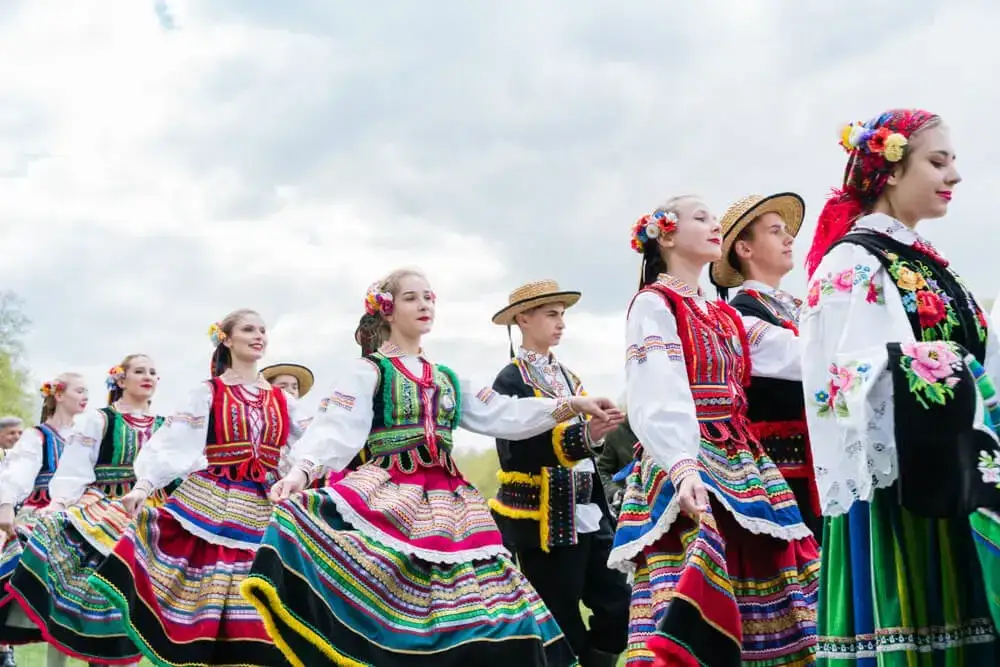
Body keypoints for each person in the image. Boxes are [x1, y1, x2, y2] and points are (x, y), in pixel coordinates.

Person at [241, 268, 620, 666]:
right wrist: (301, 471)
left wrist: (571, 405)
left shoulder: (447, 377)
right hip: (390, 496)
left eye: (429, 297)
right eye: (410, 298)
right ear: (386, 311)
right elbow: (336, 429)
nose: (424, 305)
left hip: (454, 507)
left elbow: (503, 413)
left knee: (488, 614)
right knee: (404, 615)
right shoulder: (370, 371)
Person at [801, 108, 999, 663]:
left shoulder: (928, 261)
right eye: (938, 162)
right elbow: (852, 380)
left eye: (953, 162)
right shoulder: (854, 262)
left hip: (952, 473)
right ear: (888, 171)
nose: (954, 176)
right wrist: (952, 366)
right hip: (898, 491)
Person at [610, 197, 819, 666]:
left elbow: (796, 354)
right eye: (700, 218)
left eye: (714, 219)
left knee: (772, 584)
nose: (714, 225)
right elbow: (657, 388)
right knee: (698, 587)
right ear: (666, 235)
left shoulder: (726, 314)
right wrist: (683, 468)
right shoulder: (654, 303)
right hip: (689, 459)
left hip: (744, 464)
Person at [88, 311, 310, 666]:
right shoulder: (209, 392)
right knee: (212, 600)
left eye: (263, 331)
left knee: (261, 602)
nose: (259, 336)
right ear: (226, 339)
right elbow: (174, 443)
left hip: (265, 505)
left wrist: (301, 475)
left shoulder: (284, 401)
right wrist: (143, 486)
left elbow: (311, 447)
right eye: (249, 329)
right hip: (215, 504)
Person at [489, 279, 630, 667]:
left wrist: (596, 435)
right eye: (552, 314)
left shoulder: (569, 377)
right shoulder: (510, 380)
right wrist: (583, 436)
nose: (561, 323)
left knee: (619, 603)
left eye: (562, 315)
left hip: (588, 512)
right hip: (545, 522)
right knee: (559, 620)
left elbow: (586, 445)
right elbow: (514, 451)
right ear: (523, 319)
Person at [7, 356, 165, 665]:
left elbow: (179, 468)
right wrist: (60, 503)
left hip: (149, 514)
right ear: (120, 380)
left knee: (137, 602)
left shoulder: (165, 426)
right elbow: (75, 467)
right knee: (84, 592)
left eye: (153, 372)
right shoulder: (101, 419)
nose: (148, 377)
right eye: (139, 371)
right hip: (103, 509)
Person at [709, 192, 823, 540]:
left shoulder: (797, 307)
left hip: (817, 466)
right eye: (775, 231)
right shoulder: (741, 315)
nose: (789, 239)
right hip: (782, 474)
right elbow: (802, 358)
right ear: (745, 249)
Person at [0, 375, 89, 667]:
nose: (85, 396)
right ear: (59, 395)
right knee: (21, 584)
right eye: (79, 390)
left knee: (71, 601)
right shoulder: (38, 436)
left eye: (87, 391)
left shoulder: (87, 434)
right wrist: (5, 505)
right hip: (41, 515)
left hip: (82, 517)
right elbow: (17, 472)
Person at [0, 420, 22, 667]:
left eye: (19, 433)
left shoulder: (21, 461)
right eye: (10, 433)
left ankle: (6, 649)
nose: (16, 437)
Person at [597, 403, 637, 517]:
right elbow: (601, 471)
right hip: (632, 509)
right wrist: (616, 493)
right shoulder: (615, 430)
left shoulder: (667, 427)